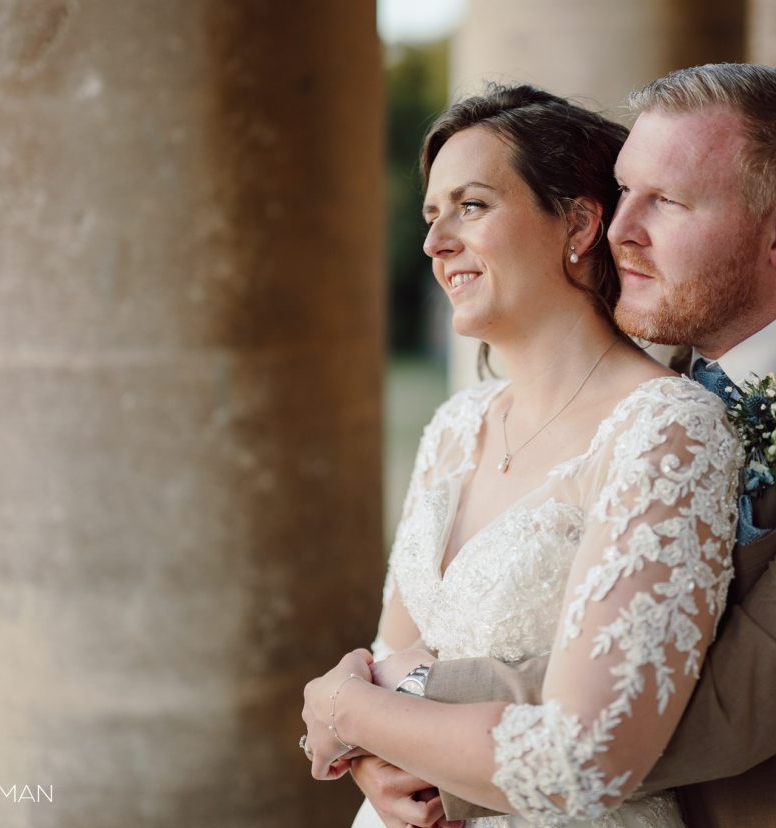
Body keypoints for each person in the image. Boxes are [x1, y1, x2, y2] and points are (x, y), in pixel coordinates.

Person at [356, 64, 776, 827]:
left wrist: (392, 709)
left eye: (664, 201)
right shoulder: (641, 374)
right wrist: (384, 738)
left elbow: (718, 704)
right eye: (625, 189)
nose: (620, 227)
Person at [300, 84, 743, 826]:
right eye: (432, 215)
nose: (436, 243)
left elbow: (584, 759)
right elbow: (394, 655)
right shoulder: (456, 425)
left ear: (576, 224)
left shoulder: (665, 430)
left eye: (471, 206)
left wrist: (345, 708)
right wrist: (375, 769)